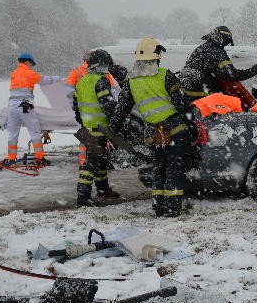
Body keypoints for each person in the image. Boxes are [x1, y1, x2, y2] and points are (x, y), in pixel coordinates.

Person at [110, 37, 192, 217]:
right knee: (174, 168)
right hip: (174, 130)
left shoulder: (131, 82)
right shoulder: (165, 75)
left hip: (153, 132)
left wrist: (112, 130)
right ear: (156, 57)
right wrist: (191, 121)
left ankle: (159, 206)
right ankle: (172, 208)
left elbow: (121, 109)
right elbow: (182, 104)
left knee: (159, 168)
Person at [73, 49, 121, 206]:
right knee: (91, 163)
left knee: (100, 161)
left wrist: (84, 123)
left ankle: (103, 189)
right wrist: (117, 122)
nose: (107, 69)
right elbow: (108, 106)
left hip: (87, 128)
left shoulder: (82, 81)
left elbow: (76, 107)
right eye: (106, 65)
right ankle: (83, 195)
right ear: (100, 65)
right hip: (99, 129)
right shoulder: (101, 81)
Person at [180, 26, 257, 107]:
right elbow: (232, 75)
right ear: (221, 38)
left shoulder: (201, 49)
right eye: (226, 41)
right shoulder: (217, 52)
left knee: (196, 114)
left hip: (184, 89)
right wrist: (254, 70)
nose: (225, 44)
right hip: (202, 89)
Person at [65, 50, 120, 166]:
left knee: (86, 141)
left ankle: (84, 162)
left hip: (85, 115)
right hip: (100, 118)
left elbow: (69, 92)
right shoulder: (104, 74)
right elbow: (114, 91)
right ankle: (98, 163)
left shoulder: (77, 72)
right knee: (101, 142)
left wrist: (78, 110)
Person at [5, 52, 61, 165]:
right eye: (31, 64)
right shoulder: (28, 73)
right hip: (25, 103)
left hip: (11, 105)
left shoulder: (14, 73)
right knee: (34, 130)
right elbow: (44, 80)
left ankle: (11, 158)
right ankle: (39, 157)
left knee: (13, 133)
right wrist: (57, 79)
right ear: (27, 62)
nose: (31, 66)